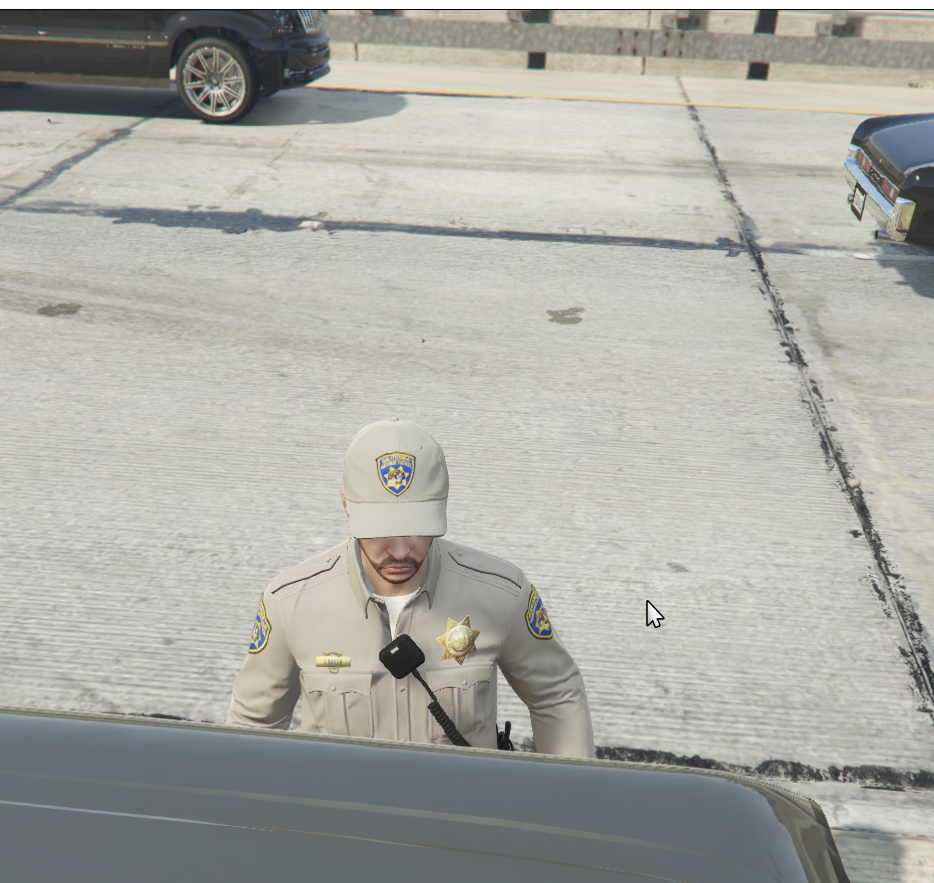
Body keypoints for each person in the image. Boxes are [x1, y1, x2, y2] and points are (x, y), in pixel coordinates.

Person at [226, 418, 595, 758]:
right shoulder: (289, 604)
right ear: (345, 506)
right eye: (380, 530)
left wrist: (569, 798)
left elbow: (556, 696)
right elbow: (253, 728)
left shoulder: (502, 594)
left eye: (418, 527)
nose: (401, 551)